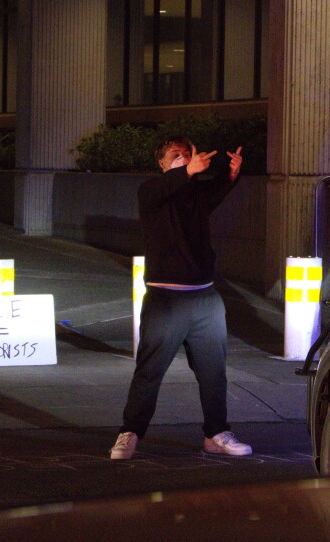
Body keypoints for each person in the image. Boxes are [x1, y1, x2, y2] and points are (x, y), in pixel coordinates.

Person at [110, 135, 252, 459]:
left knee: (213, 371)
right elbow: (160, 189)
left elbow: (220, 188)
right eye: (176, 155)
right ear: (162, 163)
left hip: (204, 297)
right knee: (150, 370)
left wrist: (232, 171)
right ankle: (129, 432)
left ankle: (216, 433)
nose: (184, 159)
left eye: (187, 154)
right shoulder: (152, 192)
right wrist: (186, 172)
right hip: (165, 299)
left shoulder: (197, 194)